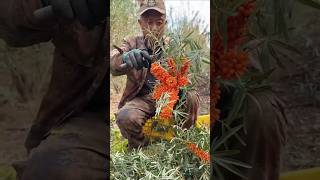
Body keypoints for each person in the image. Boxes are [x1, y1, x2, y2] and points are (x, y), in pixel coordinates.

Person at [0, 0, 108, 179]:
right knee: (52, 169)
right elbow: (9, 21)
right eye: (147, 19)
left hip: (154, 120)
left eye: (157, 20)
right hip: (91, 120)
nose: (151, 25)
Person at [110, 0, 200, 150]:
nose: (153, 28)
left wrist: (182, 87)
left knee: (191, 97)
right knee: (126, 117)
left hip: (170, 97)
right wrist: (125, 58)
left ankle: (182, 142)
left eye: (158, 23)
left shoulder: (174, 46)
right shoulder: (131, 43)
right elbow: (113, 64)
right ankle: (140, 149)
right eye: (148, 22)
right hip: (142, 100)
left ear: (165, 23)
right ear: (140, 23)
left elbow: (187, 77)